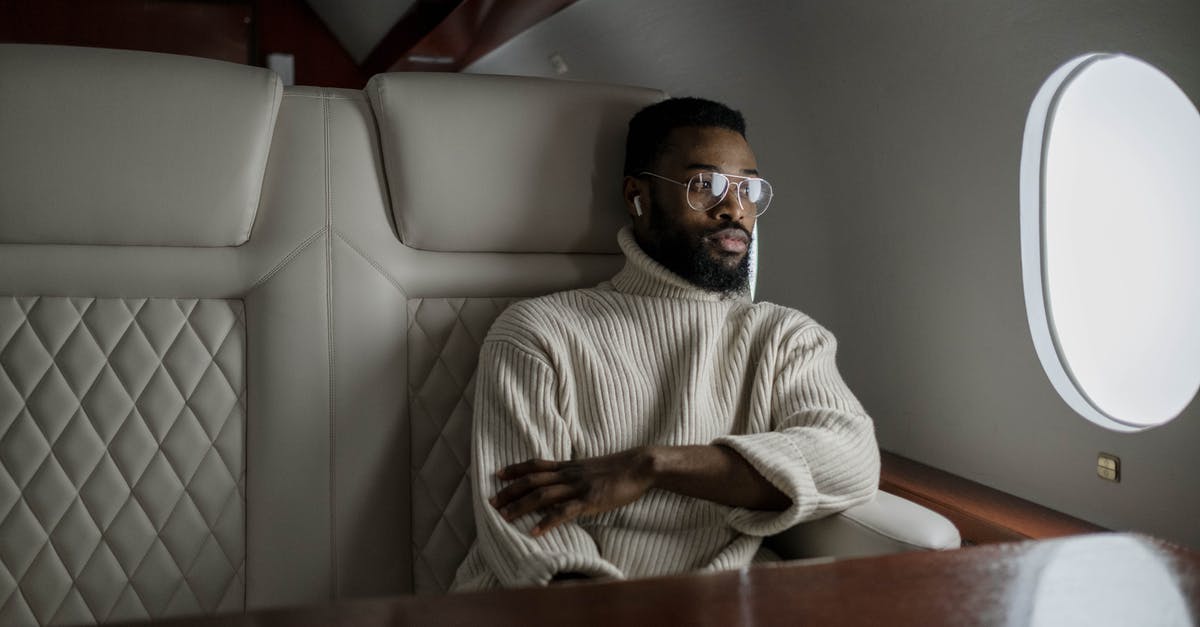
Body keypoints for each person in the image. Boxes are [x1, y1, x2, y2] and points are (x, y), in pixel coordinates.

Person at [450, 97, 880, 590]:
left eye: (748, 188)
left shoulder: (785, 337)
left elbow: (851, 460)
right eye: (706, 185)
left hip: (715, 602)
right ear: (638, 196)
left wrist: (652, 465)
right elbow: (526, 523)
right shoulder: (537, 331)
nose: (734, 208)